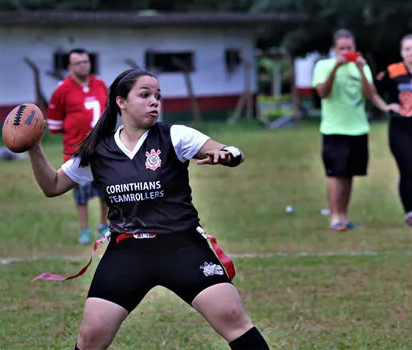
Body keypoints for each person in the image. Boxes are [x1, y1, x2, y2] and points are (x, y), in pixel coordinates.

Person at [28, 69, 270, 350]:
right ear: (121, 102)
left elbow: (231, 152)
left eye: (157, 96)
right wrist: (34, 147)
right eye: (144, 95)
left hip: (182, 245)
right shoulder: (99, 150)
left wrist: (227, 155)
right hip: (128, 252)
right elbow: (53, 185)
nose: (154, 101)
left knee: (232, 317)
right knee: (90, 336)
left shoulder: (175, 135)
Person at [312, 29, 385, 231]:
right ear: (334, 49)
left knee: (350, 174)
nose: (346, 51)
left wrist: (361, 69)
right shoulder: (323, 65)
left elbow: (371, 95)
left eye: (349, 47)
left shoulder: (361, 67)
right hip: (334, 128)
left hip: (358, 128)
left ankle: (344, 214)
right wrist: (336, 67)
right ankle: (334, 216)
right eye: (342, 48)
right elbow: (322, 93)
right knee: (335, 174)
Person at [47, 48, 110, 244]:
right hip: (77, 149)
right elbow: (55, 124)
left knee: (107, 188)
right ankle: (84, 230)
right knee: (80, 190)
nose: (83, 65)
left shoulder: (100, 84)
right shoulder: (62, 89)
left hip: (103, 146)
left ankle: (104, 225)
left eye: (86, 61)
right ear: (70, 66)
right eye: (78, 62)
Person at [374, 34, 412, 226]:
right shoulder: (392, 71)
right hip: (400, 128)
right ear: (402, 52)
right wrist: (385, 106)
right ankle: (409, 213)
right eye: (408, 49)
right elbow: (372, 89)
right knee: (407, 168)